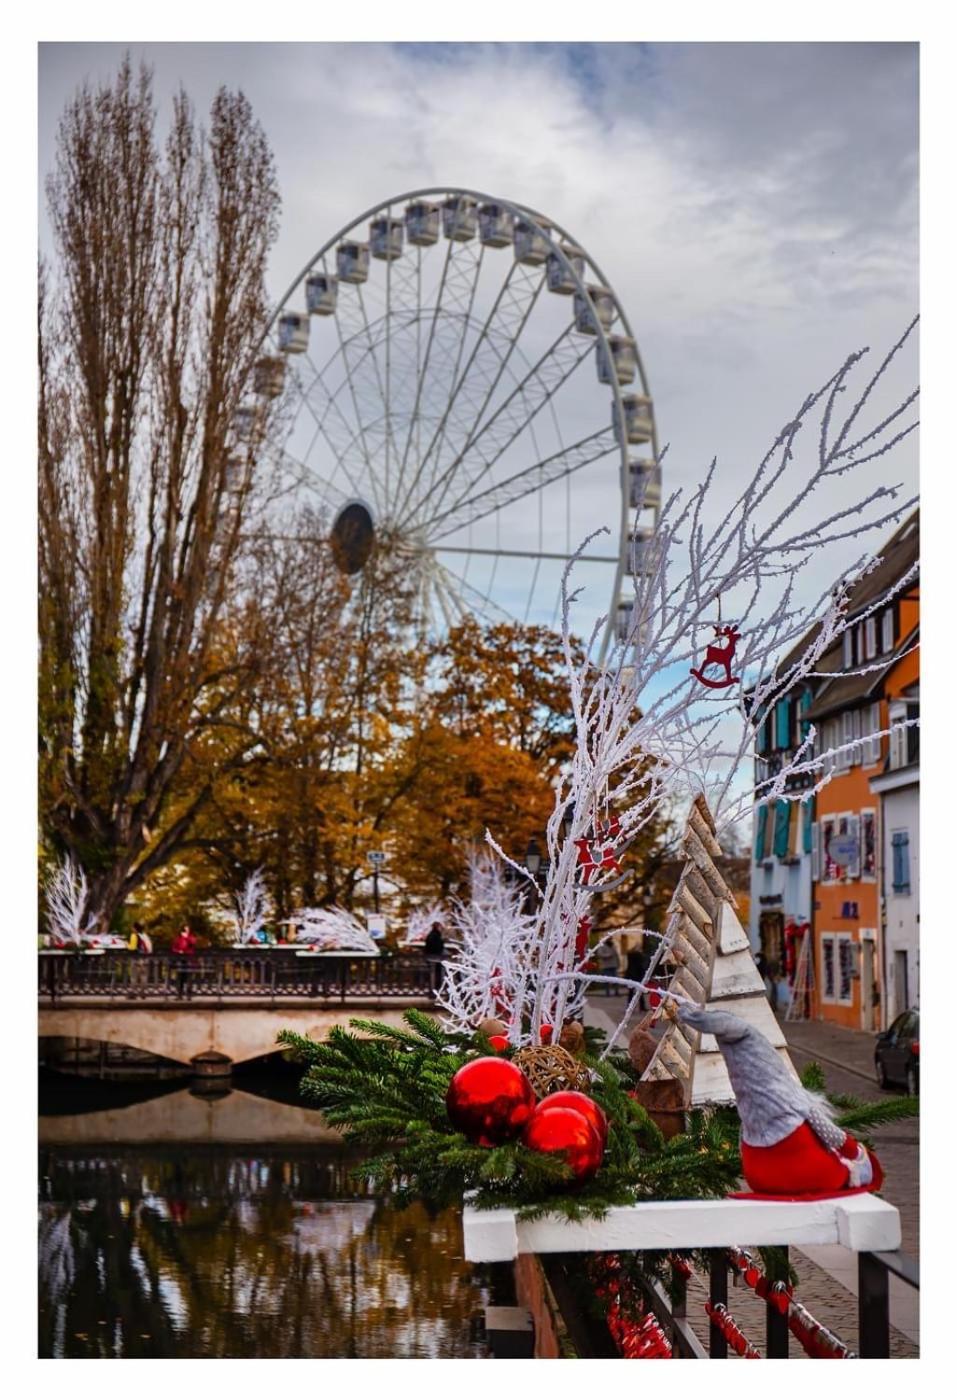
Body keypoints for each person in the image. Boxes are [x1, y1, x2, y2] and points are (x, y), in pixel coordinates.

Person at [171, 924, 196, 999]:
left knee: (189, 977)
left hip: (189, 958)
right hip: (180, 958)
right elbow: (174, 947)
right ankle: (179, 994)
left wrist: (186, 937)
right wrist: (178, 951)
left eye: (188, 929)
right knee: (180, 977)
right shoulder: (178, 938)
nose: (186, 931)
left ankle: (189, 995)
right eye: (185, 929)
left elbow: (193, 942)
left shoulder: (191, 937)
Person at [423, 922, 445, 994]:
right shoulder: (435, 935)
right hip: (435, 958)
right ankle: (434, 989)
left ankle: (434, 989)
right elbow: (437, 946)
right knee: (435, 973)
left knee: (434, 973)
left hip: (432, 957)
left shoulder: (432, 935)